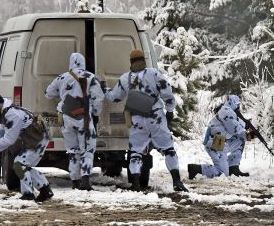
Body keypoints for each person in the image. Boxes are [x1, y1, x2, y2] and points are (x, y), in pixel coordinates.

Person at [104, 49, 188, 192]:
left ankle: (135, 183)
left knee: (136, 151)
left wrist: (104, 89)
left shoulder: (126, 78)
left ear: (131, 62)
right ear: (143, 60)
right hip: (155, 117)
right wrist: (169, 110)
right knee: (168, 149)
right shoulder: (153, 73)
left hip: (137, 119)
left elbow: (114, 97)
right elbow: (166, 92)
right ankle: (176, 182)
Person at [45, 52, 104, 191]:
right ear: (83, 63)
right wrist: (95, 113)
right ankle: (85, 181)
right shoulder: (90, 77)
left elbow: (48, 93)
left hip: (66, 118)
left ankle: (75, 182)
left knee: (73, 151)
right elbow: (98, 98)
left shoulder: (62, 77)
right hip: (84, 118)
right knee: (87, 150)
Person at [0, 93, 53, 202]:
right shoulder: (8, 110)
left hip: (37, 139)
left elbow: (9, 139)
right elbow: (5, 130)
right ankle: (45, 189)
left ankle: (28, 194)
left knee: (18, 164)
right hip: (35, 138)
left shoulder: (11, 114)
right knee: (21, 165)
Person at [187, 94, 250, 180]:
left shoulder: (229, 111)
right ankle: (196, 169)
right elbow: (234, 130)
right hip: (216, 141)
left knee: (240, 141)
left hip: (220, 140)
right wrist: (245, 124)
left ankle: (233, 168)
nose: (238, 107)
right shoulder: (226, 111)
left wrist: (249, 135)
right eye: (237, 104)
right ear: (232, 103)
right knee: (222, 174)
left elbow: (236, 134)